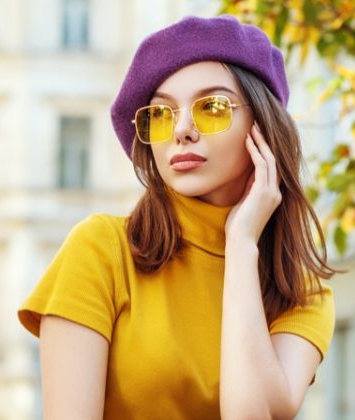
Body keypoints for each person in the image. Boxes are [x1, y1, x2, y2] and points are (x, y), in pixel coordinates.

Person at [17, 15, 337, 419]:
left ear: (262, 128)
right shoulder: (100, 250)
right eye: (162, 114)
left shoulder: (300, 291)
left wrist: (241, 245)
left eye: (213, 107)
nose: (182, 130)